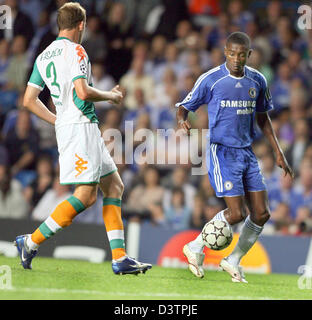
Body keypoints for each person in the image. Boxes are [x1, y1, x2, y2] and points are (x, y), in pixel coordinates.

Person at [14, 2, 151, 275]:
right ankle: (30, 241)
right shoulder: (77, 50)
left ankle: (120, 258)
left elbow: (29, 100)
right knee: (86, 196)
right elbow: (83, 91)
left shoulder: (43, 56)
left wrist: (58, 120)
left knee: (114, 187)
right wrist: (111, 96)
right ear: (81, 25)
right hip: (80, 127)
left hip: (76, 126)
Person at [176, 32, 293, 283]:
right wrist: (181, 120)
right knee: (237, 213)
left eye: (242, 54)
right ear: (225, 52)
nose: (236, 59)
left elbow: (263, 118)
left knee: (261, 213)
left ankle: (232, 260)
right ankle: (196, 247)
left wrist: (278, 151)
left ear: (249, 55)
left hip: (247, 153)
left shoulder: (258, 80)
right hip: (222, 151)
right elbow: (184, 106)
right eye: (232, 53)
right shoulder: (211, 79)